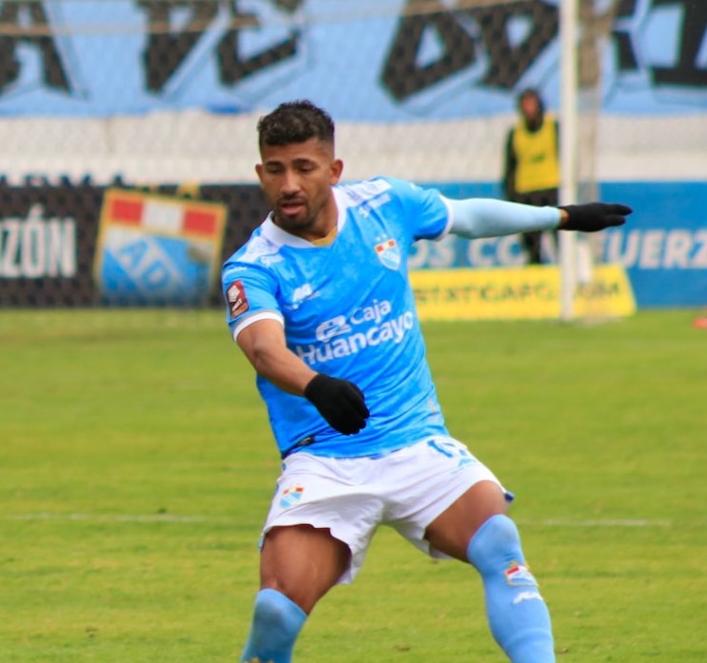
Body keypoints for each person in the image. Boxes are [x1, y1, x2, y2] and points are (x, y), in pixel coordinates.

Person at [223, 99, 631, 663]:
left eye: (303, 167)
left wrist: (558, 217)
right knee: (275, 610)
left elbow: (466, 217)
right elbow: (264, 349)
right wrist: (317, 385)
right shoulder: (254, 265)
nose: (288, 183)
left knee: (499, 544)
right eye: (275, 169)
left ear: (334, 170)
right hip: (326, 461)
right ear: (260, 173)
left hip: (416, 443)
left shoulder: (384, 204)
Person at [502, 87, 560, 265]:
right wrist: (511, 194)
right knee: (532, 245)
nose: (528, 108)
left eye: (531, 103)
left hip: (552, 189)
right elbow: (510, 166)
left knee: (561, 240)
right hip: (526, 192)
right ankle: (537, 278)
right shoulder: (515, 134)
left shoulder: (554, 128)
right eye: (525, 104)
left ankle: (568, 278)